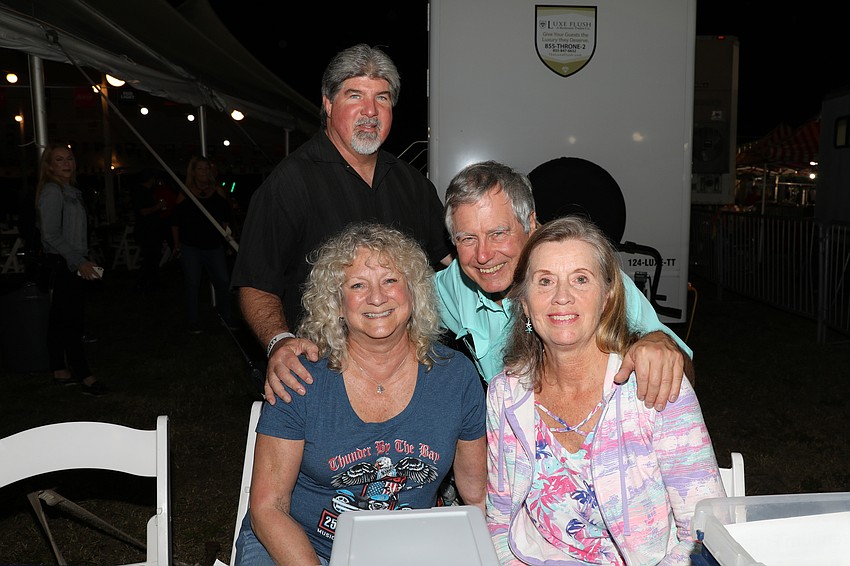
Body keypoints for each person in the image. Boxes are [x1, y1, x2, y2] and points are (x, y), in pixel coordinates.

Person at [266, 161, 691, 412]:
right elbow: (375, 306)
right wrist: (291, 344)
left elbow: (681, 368)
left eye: (499, 233)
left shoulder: (584, 279)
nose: (483, 255)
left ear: (532, 225)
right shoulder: (452, 287)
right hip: (512, 451)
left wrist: (658, 344)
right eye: (468, 239)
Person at [234, 223, 486, 565]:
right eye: (357, 285)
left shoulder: (455, 377)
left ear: (414, 291)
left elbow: (477, 497)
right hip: (295, 547)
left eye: (390, 280)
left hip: (404, 551)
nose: (377, 297)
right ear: (337, 304)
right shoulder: (299, 376)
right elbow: (268, 507)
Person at [486, 216, 724, 564]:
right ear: (524, 302)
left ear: (608, 298)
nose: (562, 297)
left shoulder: (653, 384)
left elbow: (705, 530)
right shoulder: (505, 395)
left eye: (580, 279)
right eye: (545, 281)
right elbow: (500, 520)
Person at [231, 44, 451, 369]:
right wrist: (279, 342)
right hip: (322, 373)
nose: (370, 111)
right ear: (328, 104)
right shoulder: (289, 184)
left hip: (405, 369)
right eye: (354, 96)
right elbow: (255, 283)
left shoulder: (413, 184)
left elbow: (448, 263)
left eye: (382, 97)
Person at [35, 142, 108, 396]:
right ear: (49, 165)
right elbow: (51, 235)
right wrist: (79, 261)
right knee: (72, 322)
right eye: (59, 159)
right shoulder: (53, 192)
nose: (66, 163)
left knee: (60, 320)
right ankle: (84, 374)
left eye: (69, 158)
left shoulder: (72, 190)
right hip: (64, 263)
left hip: (73, 260)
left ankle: (59, 369)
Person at [171, 155, 234, 333]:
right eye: (200, 168)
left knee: (223, 281)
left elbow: (225, 220)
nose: (204, 172)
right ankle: (193, 321)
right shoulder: (185, 192)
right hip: (191, 246)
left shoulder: (218, 191)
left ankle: (226, 317)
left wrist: (228, 241)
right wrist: (176, 244)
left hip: (214, 245)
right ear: (193, 171)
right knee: (192, 283)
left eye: (206, 168)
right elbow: (175, 221)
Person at [130, 168, 167, 292]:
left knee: (153, 257)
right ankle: (143, 282)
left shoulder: (147, 191)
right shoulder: (140, 191)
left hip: (151, 230)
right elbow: (143, 211)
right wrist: (158, 207)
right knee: (150, 257)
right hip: (147, 231)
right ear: (151, 179)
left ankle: (152, 282)